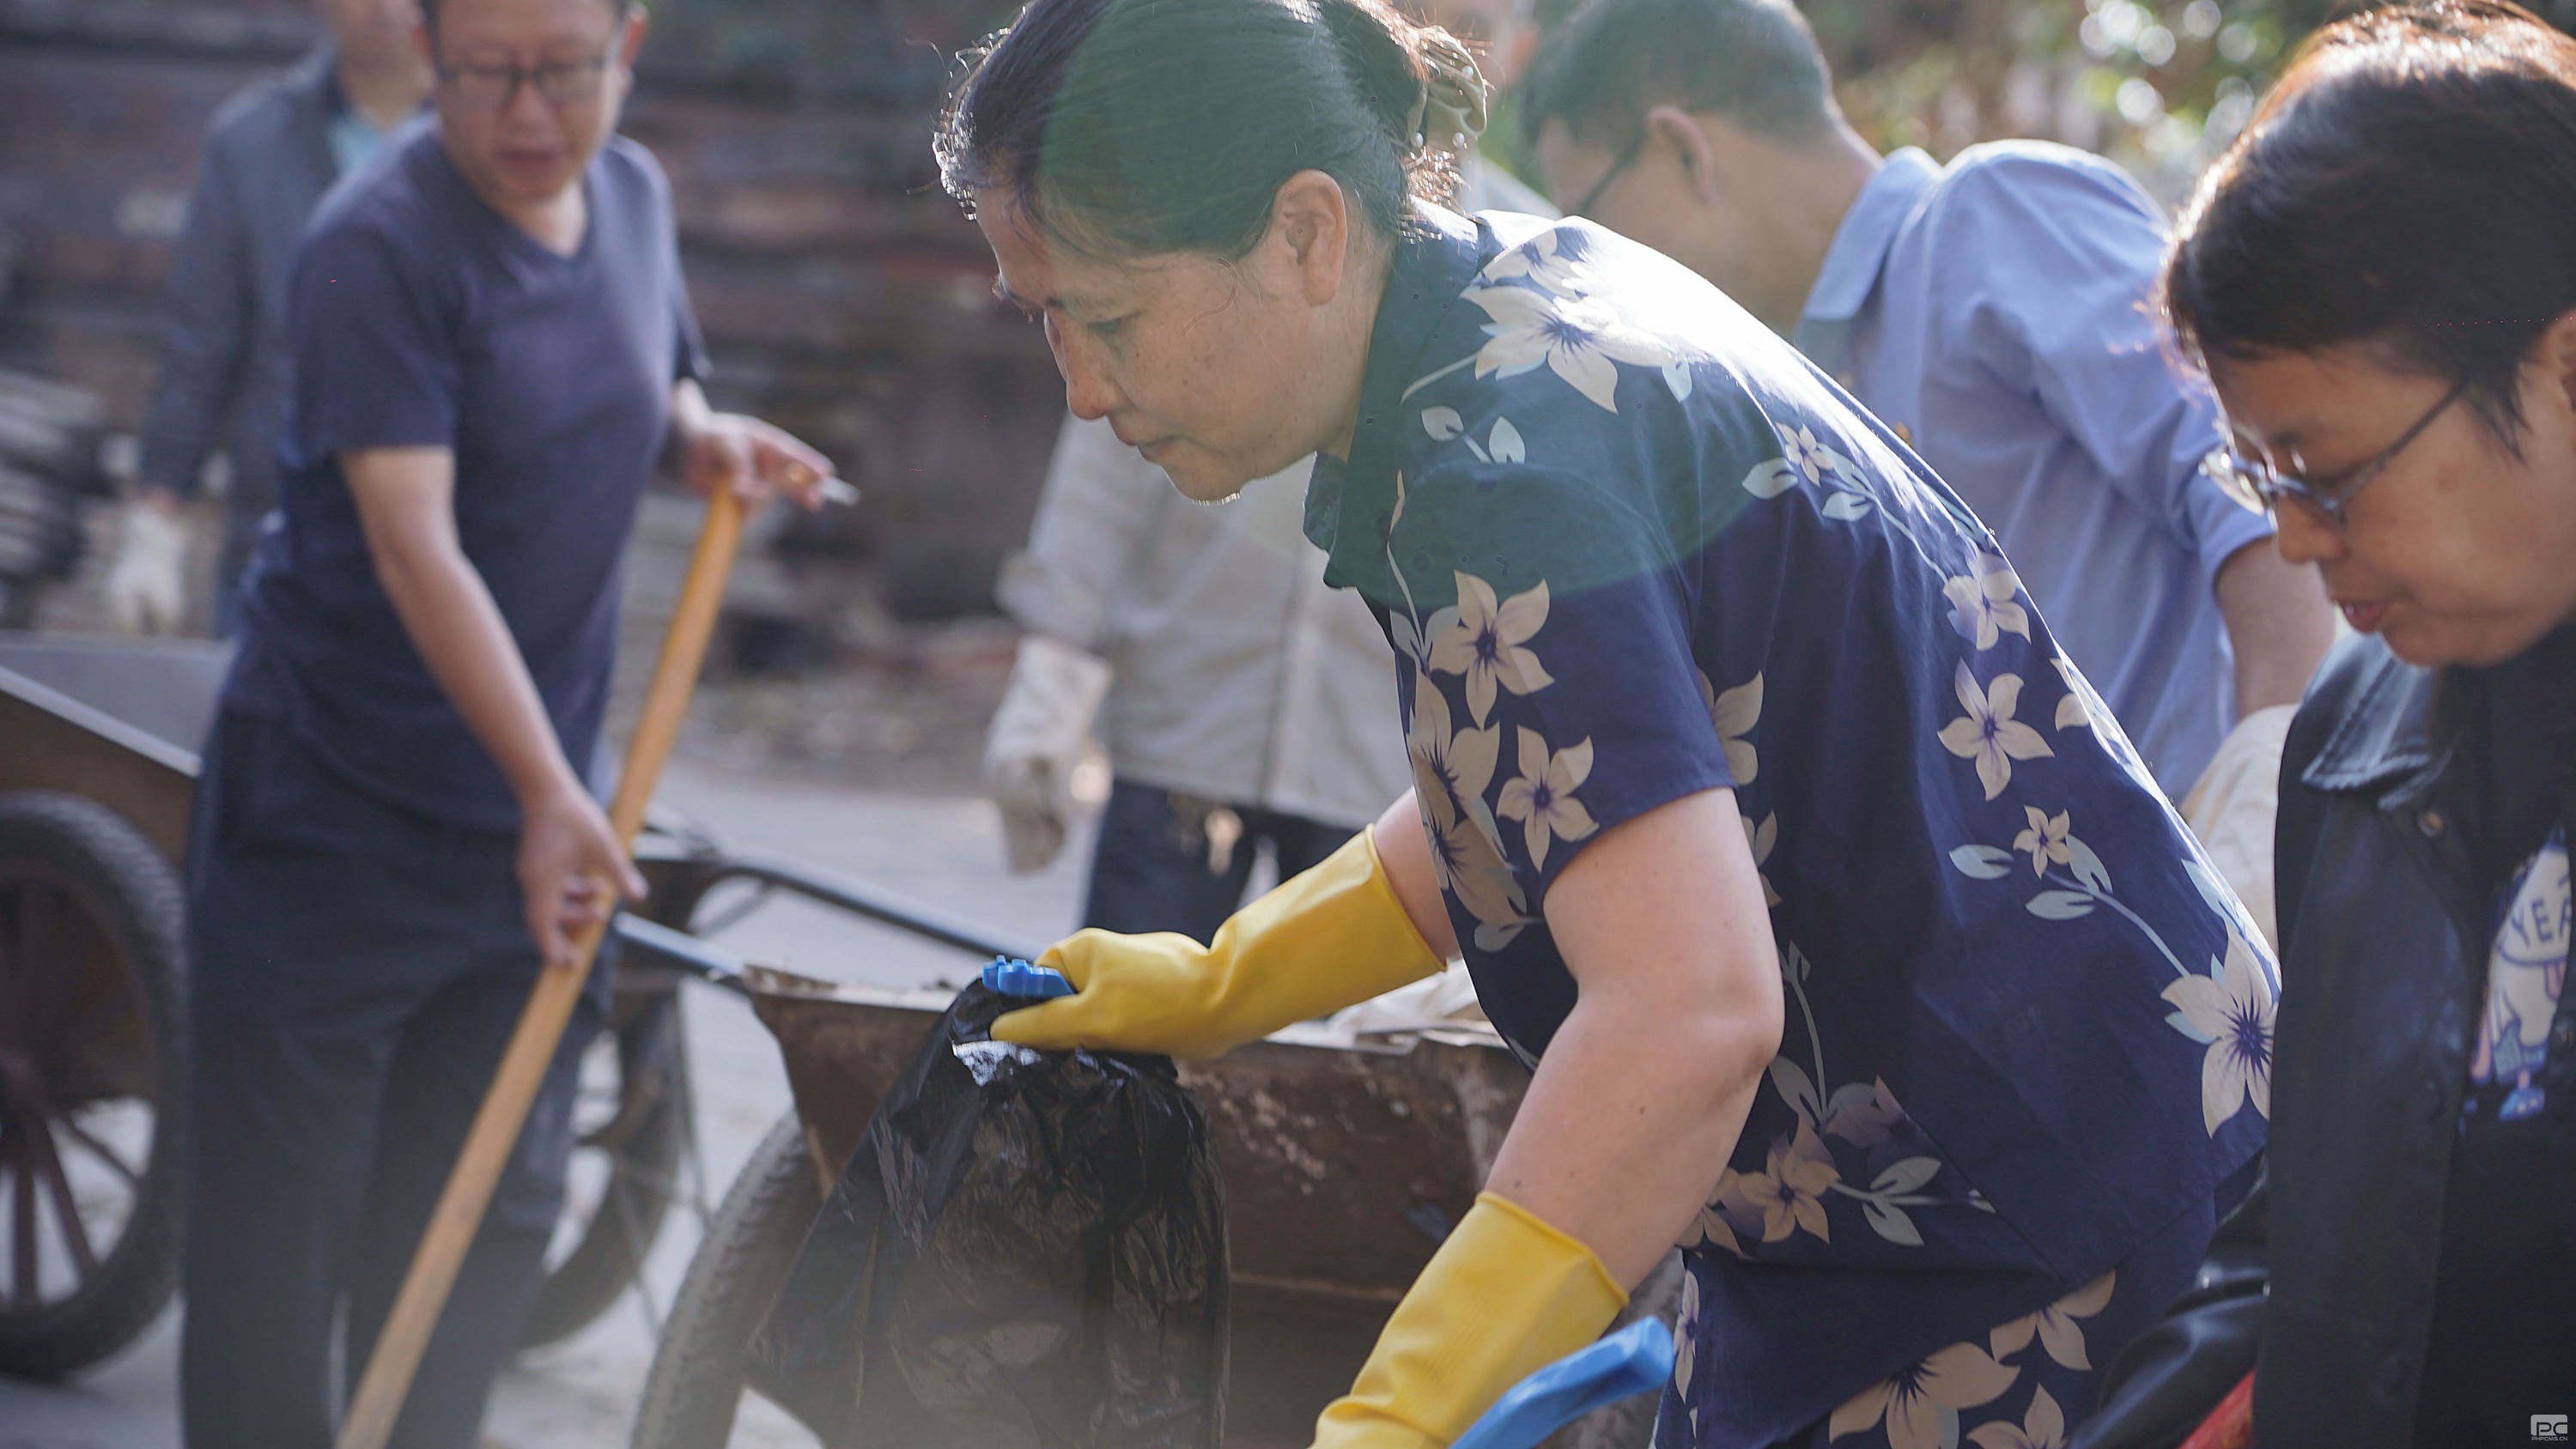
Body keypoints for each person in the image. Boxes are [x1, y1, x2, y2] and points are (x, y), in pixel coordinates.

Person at [936, 0, 2270, 1443]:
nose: (1081, 387)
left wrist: (1400, 1406)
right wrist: (1231, 978)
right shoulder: (1522, 312)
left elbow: (1691, 1011)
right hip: (2042, 1140)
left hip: (2036, 1217)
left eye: (1110, 314)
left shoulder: (1500, 469)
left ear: (1309, 233)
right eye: (1048, 319)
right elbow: (1570, 781)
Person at [178, 0, 832, 1442]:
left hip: (529, 832)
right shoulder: (377, 240)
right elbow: (417, 543)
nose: (529, 114)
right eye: (485, 75)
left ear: (630, 45)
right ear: (427, 50)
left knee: (480, 1224)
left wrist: (695, 432)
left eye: (563, 71)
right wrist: (551, 789)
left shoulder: (635, 196)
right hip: (334, 818)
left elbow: (640, 367)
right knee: (274, 1258)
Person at [1512, 0, 2336, 938]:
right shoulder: (1786, 401)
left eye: (1589, 221)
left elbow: (2248, 479)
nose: (1603, 278)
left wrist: (2280, 786)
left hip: (2217, 873)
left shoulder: (1987, 220)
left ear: (1685, 150)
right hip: (2080, 943)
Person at [2069, 5, 2576, 1445]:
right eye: (2260, 474)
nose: (2295, 541)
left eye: (2329, 472)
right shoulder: (2355, 743)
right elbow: (2308, 1256)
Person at [984, 413, 1415, 940]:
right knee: (1135, 1009)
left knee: (1360, 1019)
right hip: (1183, 728)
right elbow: (1102, 477)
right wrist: (1047, 691)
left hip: (1380, 751)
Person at [111, 0, 431, 639]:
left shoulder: (494, 143)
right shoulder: (254, 141)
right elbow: (202, 344)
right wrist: (156, 521)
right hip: (280, 544)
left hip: (445, 550)